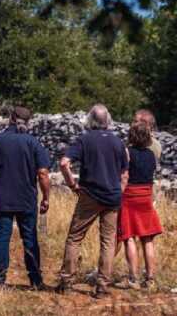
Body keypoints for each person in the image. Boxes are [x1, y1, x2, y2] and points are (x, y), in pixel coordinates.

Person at [56, 104, 129, 298]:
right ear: (108, 120)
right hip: (112, 196)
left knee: (75, 237)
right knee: (108, 242)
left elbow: (64, 163)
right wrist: (118, 192)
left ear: (91, 120)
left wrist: (72, 184)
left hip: (90, 194)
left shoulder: (84, 139)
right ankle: (102, 286)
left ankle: (67, 283)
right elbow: (124, 172)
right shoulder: (118, 142)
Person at [0, 106, 50, 289]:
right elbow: (42, 173)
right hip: (26, 199)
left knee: (2, 237)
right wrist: (46, 197)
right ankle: (35, 280)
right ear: (28, 121)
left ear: (10, 118)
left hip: (1, 198)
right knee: (30, 238)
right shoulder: (33, 143)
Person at [116, 121, 163, 290]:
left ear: (132, 136)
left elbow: (124, 176)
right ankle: (150, 279)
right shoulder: (151, 155)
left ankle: (133, 279)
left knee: (129, 237)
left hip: (129, 196)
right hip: (146, 196)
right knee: (147, 238)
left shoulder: (127, 153)